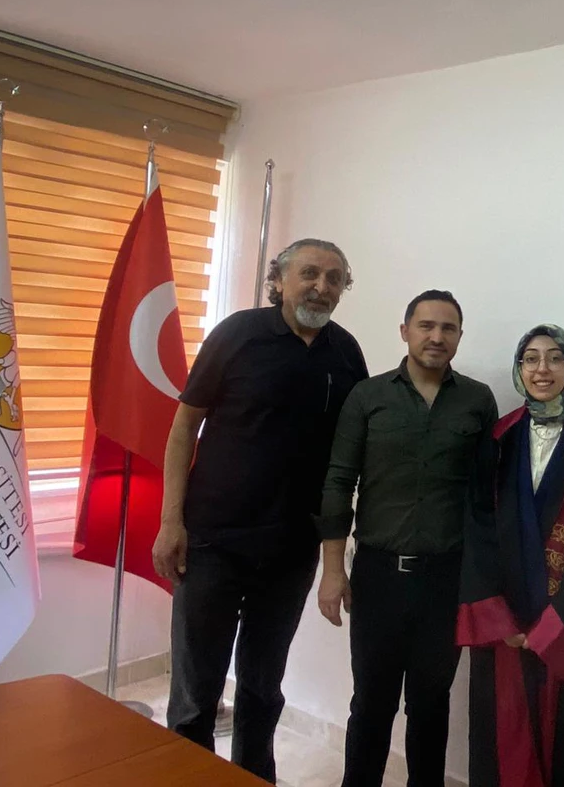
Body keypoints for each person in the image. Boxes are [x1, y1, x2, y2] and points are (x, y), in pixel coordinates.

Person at [151, 239, 369, 784]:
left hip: (291, 550)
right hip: (212, 542)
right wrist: (171, 521)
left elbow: (350, 455)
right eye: (309, 274)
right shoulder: (237, 335)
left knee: (262, 688)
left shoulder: (347, 355)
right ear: (279, 281)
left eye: (334, 278)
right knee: (196, 692)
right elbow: (183, 427)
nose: (321, 287)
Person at [317, 290, 498, 787]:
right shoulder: (368, 397)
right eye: (426, 326)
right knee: (371, 704)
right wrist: (332, 571)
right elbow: (338, 482)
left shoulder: (477, 400)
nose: (436, 336)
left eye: (448, 328)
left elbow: (486, 496)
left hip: (446, 581)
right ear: (405, 332)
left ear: (459, 337)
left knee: (431, 705)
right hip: (377, 576)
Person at [457, 325, 564, 787]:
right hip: (505, 625)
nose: (542, 369)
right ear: (519, 368)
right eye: (530, 358)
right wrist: (499, 619)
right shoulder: (498, 438)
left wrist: (555, 628)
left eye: (555, 358)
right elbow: (476, 528)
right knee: (499, 739)